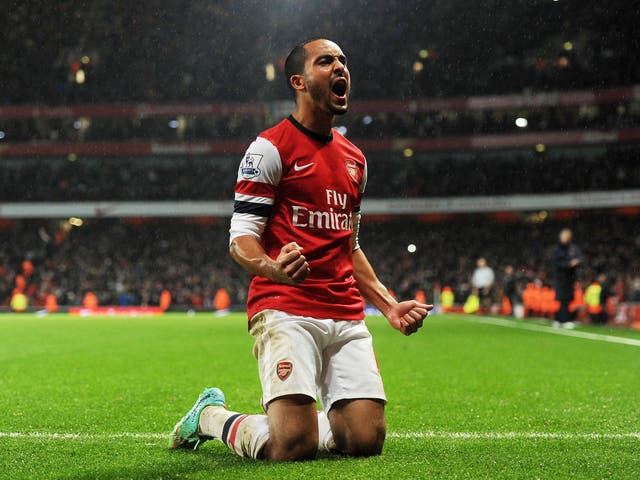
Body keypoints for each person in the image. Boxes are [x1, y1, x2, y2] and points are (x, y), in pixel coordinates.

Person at [169, 38, 432, 461]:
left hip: (344, 312)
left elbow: (349, 245)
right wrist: (272, 267)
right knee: (290, 447)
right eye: (325, 61)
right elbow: (241, 239)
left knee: (364, 441)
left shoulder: (355, 160)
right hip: (285, 306)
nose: (340, 68)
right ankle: (210, 417)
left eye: (344, 61)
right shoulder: (269, 149)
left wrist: (386, 304)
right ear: (298, 81)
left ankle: (307, 422)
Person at [551, 228, 583, 329]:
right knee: (563, 299)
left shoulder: (573, 248)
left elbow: (580, 258)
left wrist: (575, 263)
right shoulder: (557, 249)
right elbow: (556, 263)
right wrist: (568, 264)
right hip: (561, 278)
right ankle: (563, 320)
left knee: (567, 299)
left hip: (570, 278)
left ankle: (559, 319)